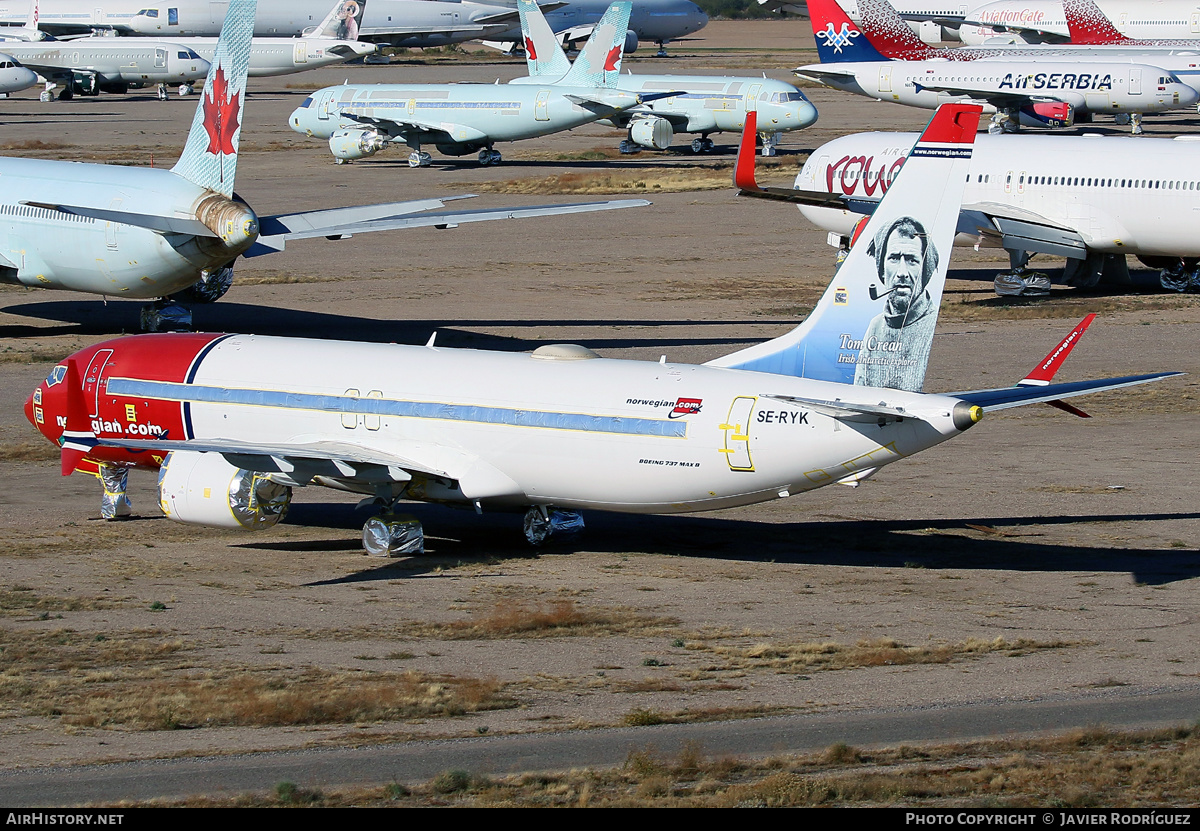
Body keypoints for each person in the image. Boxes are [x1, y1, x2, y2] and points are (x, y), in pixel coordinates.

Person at [853, 215, 939, 391]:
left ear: (924, 270)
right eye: (893, 258)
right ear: (882, 269)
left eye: (912, 260)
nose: (902, 272)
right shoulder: (875, 327)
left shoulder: (933, 327)